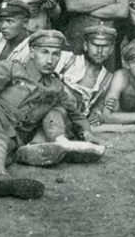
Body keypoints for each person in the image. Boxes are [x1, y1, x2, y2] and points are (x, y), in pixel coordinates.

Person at [0, 30, 98, 200]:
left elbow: (75, 114)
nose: (50, 60)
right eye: (44, 52)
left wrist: (86, 131)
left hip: (11, 138)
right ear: (32, 52)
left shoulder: (56, 87)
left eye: (55, 54)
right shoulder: (11, 68)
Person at [14, 23, 115, 166]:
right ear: (86, 45)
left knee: (60, 114)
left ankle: (39, 149)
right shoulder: (67, 59)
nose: (99, 51)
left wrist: (96, 113)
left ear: (111, 50)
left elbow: (99, 105)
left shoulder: (107, 77)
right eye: (95, 45)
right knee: (55, 109)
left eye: (105, 46)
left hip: (69, 120)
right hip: (42, 111)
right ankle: (43, 146)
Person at [0, 0, 33, 70]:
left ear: (25, 23)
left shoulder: (32, 49)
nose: (3, 26)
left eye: (9, 21)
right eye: (1, 21)